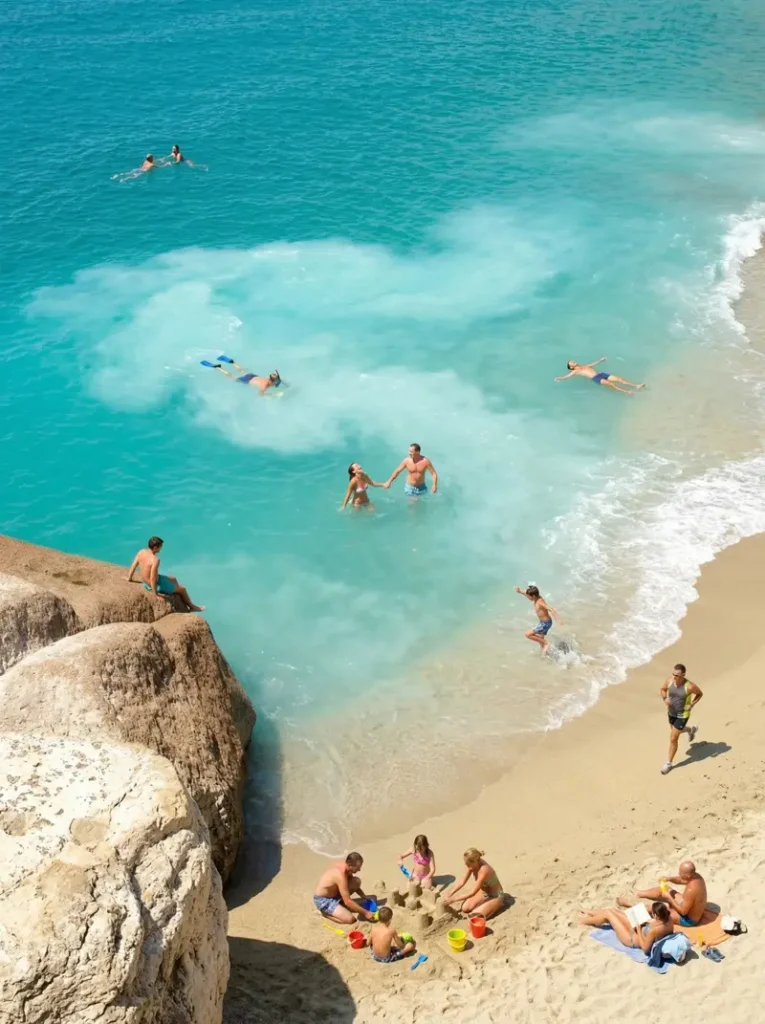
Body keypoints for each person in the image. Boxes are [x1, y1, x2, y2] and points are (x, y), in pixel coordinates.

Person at [125, 536, 205, 612]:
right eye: (160, 547)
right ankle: (192, 606)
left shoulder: (141, 552)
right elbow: (152, 578)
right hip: (154, 585)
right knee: (182, 589)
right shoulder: (155, 560)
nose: (161, 548)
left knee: (173, 578)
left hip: (146, 582)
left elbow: (133, 565)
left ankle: (174, 586)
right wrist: (156, 594)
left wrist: (129, 578)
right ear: (155, 547)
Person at [619, 861, 707, 927]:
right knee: (664, 888)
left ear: (688, 876)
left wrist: (669, 898)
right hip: (686, 904)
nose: (679, 874)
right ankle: (639, 893)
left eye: (681, 873)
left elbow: (683, 912)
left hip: (688, 919)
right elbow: (681, 880)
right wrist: (669, 878)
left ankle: (628, 904)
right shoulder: (695, 876)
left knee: (656, 909)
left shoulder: (691, 889)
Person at [579, 900, 673, 952]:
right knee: (613, 911)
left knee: (609, 914)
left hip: (630, 939)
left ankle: (583, 921)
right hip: (637, 929)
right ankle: (590, 913)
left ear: (656, 915)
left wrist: (639, 930)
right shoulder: (669, 920)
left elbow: (645, 949)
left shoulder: (655, 931)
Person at [660, 663, 702, 775]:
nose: (674, 677)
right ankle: (690, 730)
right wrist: (665, 698)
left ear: (683, 675)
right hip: (671, 712)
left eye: (677, 675)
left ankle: (668, 764)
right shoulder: (669, 681)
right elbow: (663, 689)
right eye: (673, 674)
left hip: (682, 714)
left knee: (673, 738)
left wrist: (692, 704)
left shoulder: (690, 686)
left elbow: (699, 694)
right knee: (676, 731)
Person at [442, 848, 507, 920]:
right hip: (484, 892)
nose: (468, 867)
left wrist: (453, 899)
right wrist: (450, 893)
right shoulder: (471, 864)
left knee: (473, 917)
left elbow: (472, 893)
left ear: (477, 861)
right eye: (466, 864)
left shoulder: (484, 870)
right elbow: (462, 881)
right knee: (465, 908)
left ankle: (498, 904)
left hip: (495, 895)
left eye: (469, 864)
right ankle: (488, 906)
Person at [312, 852, 375, 925]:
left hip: (335, 893)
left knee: (356, 881)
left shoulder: (347, 868)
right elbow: (347, 901)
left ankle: (340, 905)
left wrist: (364, 896)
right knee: (350, 919)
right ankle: (325, 914)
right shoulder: (340, 875)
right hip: (323, 900)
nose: (359, 870)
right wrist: (366, 913)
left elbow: (355, 886)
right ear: (350, 865)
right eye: (357, 867)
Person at [555, 357, 645, 395]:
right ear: (571, 367)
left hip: (601, 374)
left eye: (573, 361)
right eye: (572, 362)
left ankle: (636, 386)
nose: (574, 361)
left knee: (619, 379)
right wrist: (559, 378)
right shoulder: (575, 371)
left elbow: (592, 364)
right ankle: (626, 392)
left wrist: (601, 360)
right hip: (596, 378)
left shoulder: (583, 366)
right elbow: (567, 376)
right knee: (611, 384)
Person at [205, 355, 282, 395]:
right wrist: (274, 394)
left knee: (242, 371)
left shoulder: (268, 379)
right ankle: (218, 367)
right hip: (247, 380)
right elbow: (260, 394)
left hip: (252, 376)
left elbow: (277, 378)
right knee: (232, 376)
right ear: (273, 381)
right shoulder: (264, 385)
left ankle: (232, 362)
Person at [514, 585, 560, 652]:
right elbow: (528, 595)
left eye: (529, 596)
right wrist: (520, 591)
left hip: (545, 624)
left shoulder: (540, 602)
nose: (528, 598)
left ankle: (547, 643)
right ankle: (544, 653)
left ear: (534, 596)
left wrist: (558, 620)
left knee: (527, 634)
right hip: (544, 622)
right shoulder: (537, 598)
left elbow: (551, 609)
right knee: (540, 641)